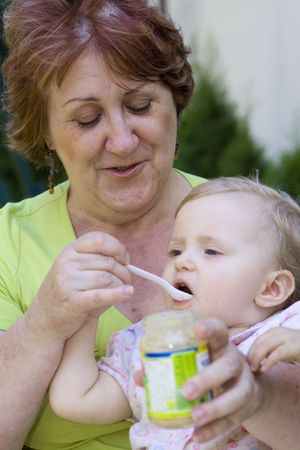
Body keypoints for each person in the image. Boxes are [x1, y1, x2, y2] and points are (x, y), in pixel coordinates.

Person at [0, 1, 300, 449]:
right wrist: (48, 322)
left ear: (174, 105)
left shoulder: (257, 226)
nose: (121, 140)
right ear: (46, 130)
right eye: (87, 118)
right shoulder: (9, 243)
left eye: (140, 105)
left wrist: (258, 397)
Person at [48, 176, 300, 449]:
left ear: (272, 288)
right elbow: (76, 400)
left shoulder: (286, 330)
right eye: (175, 250)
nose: (182, 261)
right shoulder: (149, 343)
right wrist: (87, 315)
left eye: (211, 251)